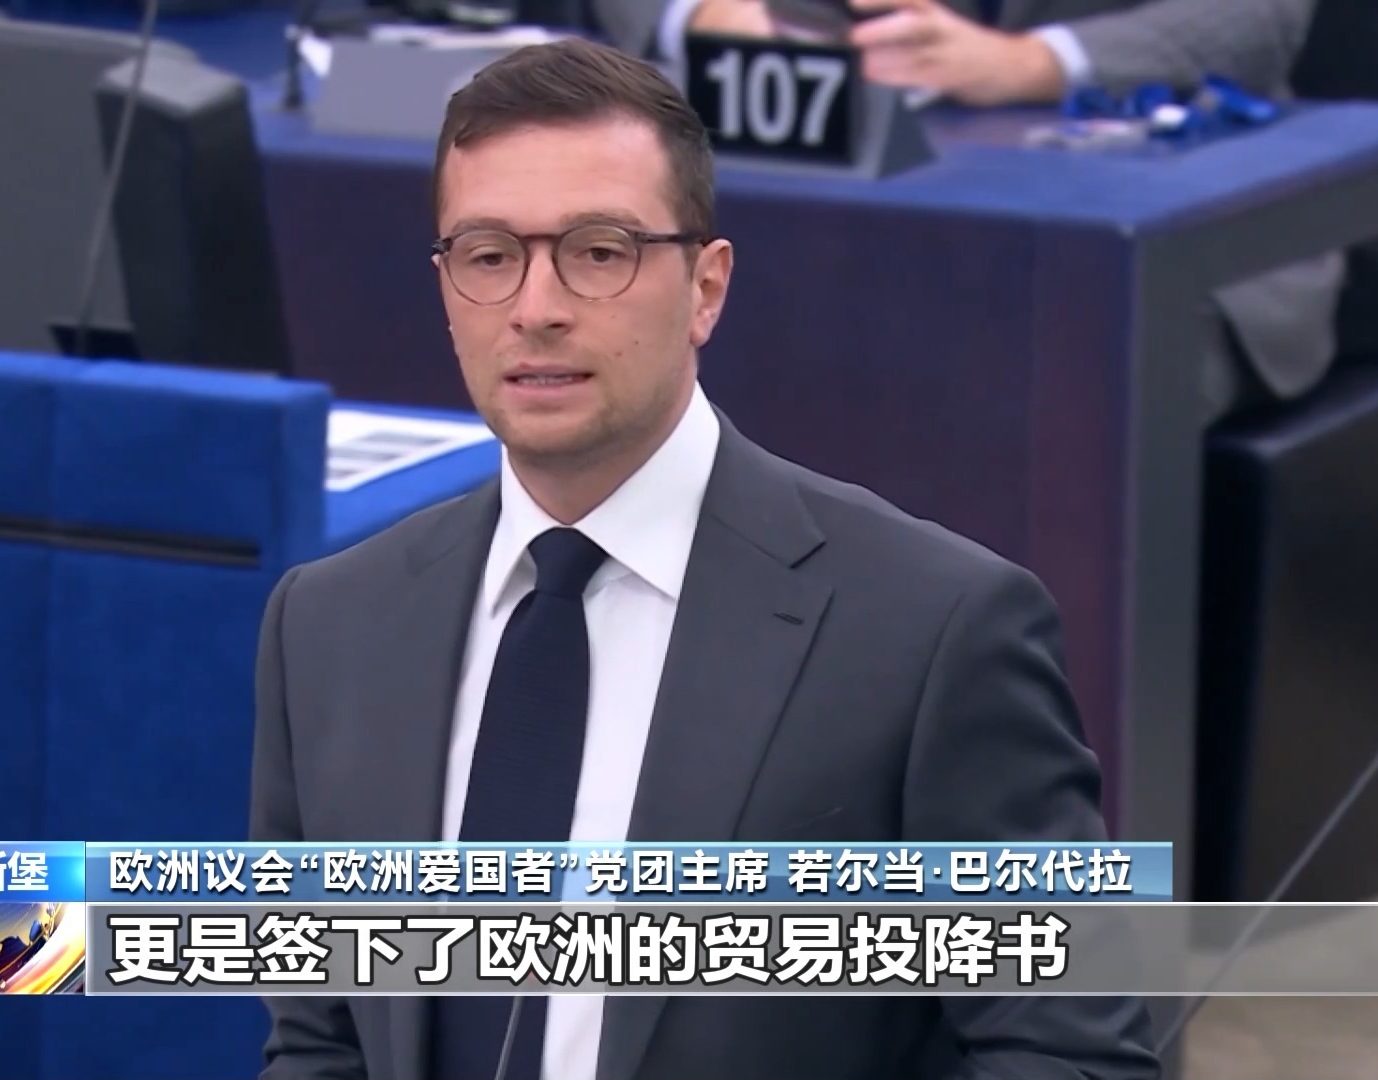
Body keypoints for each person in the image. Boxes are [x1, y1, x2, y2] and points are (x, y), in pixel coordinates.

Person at [249, 37, 1159, 1080]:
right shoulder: (330, 627)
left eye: (599, 252)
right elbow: (321, 1042)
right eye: (490, 256)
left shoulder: (931, 633)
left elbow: (1069, 1056)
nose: (537, 307)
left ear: (705, 288)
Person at [589, 0, 1344, 425]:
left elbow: (1259, 15)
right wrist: (707, 13)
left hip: (1154, 227)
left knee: (1050, 386)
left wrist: (1027, 64)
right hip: (794, 216)